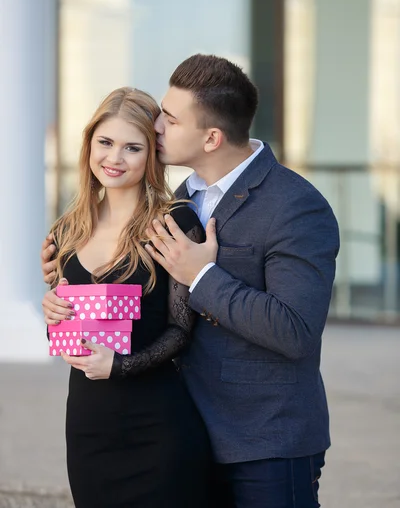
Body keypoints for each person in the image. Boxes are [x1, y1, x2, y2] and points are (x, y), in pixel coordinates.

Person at [42, 55, 340, 508]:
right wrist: (60, 294)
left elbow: (296, 331)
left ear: (211, 137)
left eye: (170, 119)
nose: (157, 125)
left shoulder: (295, 206)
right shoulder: (183, 200)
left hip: (264, 442)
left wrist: (201, 275)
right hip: (188, 427)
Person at [41, 87, 211, 508]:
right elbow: (68, 330)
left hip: (156, 424)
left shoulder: (174, 222)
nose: (114, 159)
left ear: (151, 154)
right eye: (105, 143)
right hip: (88, 425)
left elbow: (180, 331)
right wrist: (52, 314)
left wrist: (119, 366)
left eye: (132, 147)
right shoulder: (67, 230)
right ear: (89, 144)